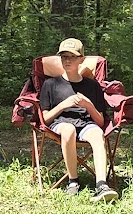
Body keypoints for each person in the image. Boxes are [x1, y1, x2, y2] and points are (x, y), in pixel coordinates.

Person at [39, 37, 118, 200]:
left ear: (81, 59)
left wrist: (89, 105)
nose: (67, 60)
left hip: (86, 124)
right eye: (64, 57)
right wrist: (63, 105)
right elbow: (45, 119)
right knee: (69, 130)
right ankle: (73, 180)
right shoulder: (50, 84)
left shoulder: (92, 86)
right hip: (60, 124)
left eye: (72, 56)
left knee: (97, 134)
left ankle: (101, 184)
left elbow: (101, 122)